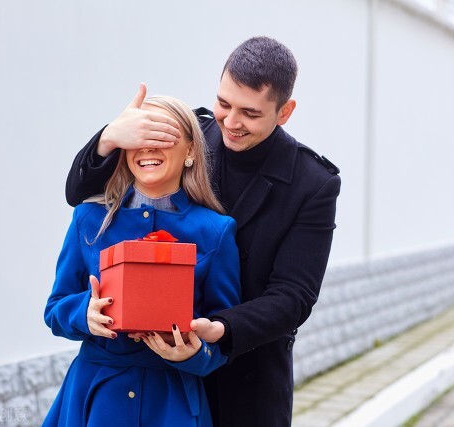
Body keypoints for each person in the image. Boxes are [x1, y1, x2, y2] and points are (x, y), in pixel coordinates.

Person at [66, 36, 341, 426]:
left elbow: (294, 295)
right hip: (162, 378)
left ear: (285, 112)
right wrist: (110, 137)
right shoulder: (189, 136)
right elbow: (78, 194)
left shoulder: (313, 183)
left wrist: (221, 328)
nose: (231, 122)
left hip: (246, 371)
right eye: (224, 103)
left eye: (249, 113)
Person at [45, 96, 241, 426]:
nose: (148, 147)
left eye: (163, 136)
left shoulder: (216, 232)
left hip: (173, 403)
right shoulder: (88, 219)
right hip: (94, 399)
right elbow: (54, 310)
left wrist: (194, 355)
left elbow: (225, 337)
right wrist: (84, 313)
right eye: (139, 137)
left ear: (191, 151)